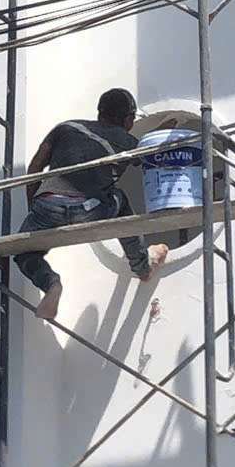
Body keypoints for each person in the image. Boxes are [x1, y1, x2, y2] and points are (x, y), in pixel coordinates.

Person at [15, 87, 168, 322]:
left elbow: (35, 168)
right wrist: (167, 128)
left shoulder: (66, 127)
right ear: (128, 118)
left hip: (47, 205)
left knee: (23, 252)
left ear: (99, 112)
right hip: (89, 208)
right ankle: (142, 267)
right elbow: (149, 150)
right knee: (120, 201)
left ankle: (51, 283)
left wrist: (34, 211)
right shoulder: (127, 142)